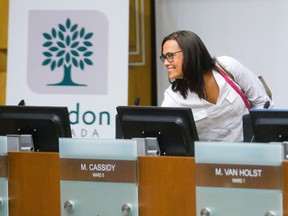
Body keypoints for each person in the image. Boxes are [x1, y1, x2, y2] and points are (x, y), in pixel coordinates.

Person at [160, 30, 273, 142]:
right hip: (211, 159)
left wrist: (263, 143)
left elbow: (262, 104)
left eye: (170, 56)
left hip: (253, 152)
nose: (165, 63)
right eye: (164, 57)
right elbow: (164, 132)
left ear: (190, 52)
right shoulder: (173, 97)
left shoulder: (227, 67)